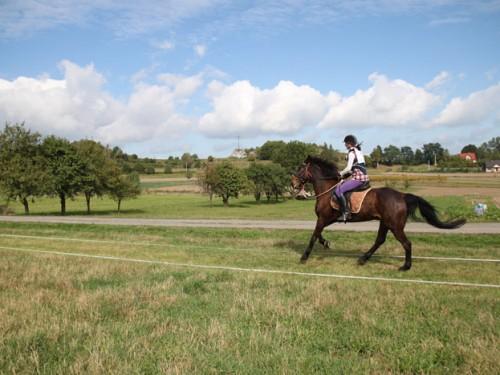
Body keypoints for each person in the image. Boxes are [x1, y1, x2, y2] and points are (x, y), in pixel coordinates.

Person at [334, 134, 369, 222]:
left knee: (338, 191)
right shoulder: (358, 151)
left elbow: (348, 168)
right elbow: (353, 169)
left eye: (345, 143)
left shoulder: (351, 153)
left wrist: (339, 174)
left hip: (358, 178)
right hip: (362, 177)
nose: (345, 145)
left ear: (349, 143)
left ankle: (345, 212)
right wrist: (344, 176)